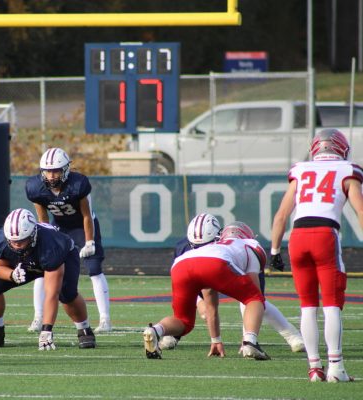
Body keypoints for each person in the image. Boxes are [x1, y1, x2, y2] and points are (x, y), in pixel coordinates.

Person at [270, 128, 363, 383]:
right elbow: (360, 210)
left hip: (297, 237)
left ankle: (314, 369)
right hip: (325, 234)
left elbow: (281, 215)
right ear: (341, 148)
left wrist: (274, 251)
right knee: (332, 304)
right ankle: (336, 368)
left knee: (308, 306)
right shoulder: (348, 169)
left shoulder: (300, 170)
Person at [159, 214, 305, 354]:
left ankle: (158, 330)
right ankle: (261, 340)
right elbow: (253, 300)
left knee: (185, 317)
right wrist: (198, 302)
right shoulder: (247, 246)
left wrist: (216, 339)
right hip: (215, 266)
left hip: (191, 268)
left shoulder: (201, 249)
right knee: (253, 300)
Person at [143, 221, 270, 361]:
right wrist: (248, 336)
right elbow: (254, 293)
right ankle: (251, 342)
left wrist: (216, 340)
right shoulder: (251, 245)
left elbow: (210, 302)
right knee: (254, 299)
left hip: (181, 264)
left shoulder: (213, 245)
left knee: (183, 320)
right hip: (215, 262)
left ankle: (155, 330)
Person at [0, 208, 96, 350]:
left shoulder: (51, 245)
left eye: (21, 240)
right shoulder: (1, 240)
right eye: (12, 241)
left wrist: (46, 330)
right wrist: (11, 274)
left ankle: (84, 330)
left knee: (67, 294)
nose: (16, 245)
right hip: (26, 262)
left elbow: (52, 294)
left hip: (61, 257)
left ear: (33, 234)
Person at [25, 147, 111, 333]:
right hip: (58, 227)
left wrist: (89, 242)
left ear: (65, 169)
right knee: (43, 269)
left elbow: (87, 216)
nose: (51, 175)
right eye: (48, 171)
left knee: (94, 269)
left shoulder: (78, 184)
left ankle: (105, 319)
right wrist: (45, 240)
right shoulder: (35, 188)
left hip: (82, 225)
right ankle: (38, 317)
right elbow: (43, 219)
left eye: (56, 170)